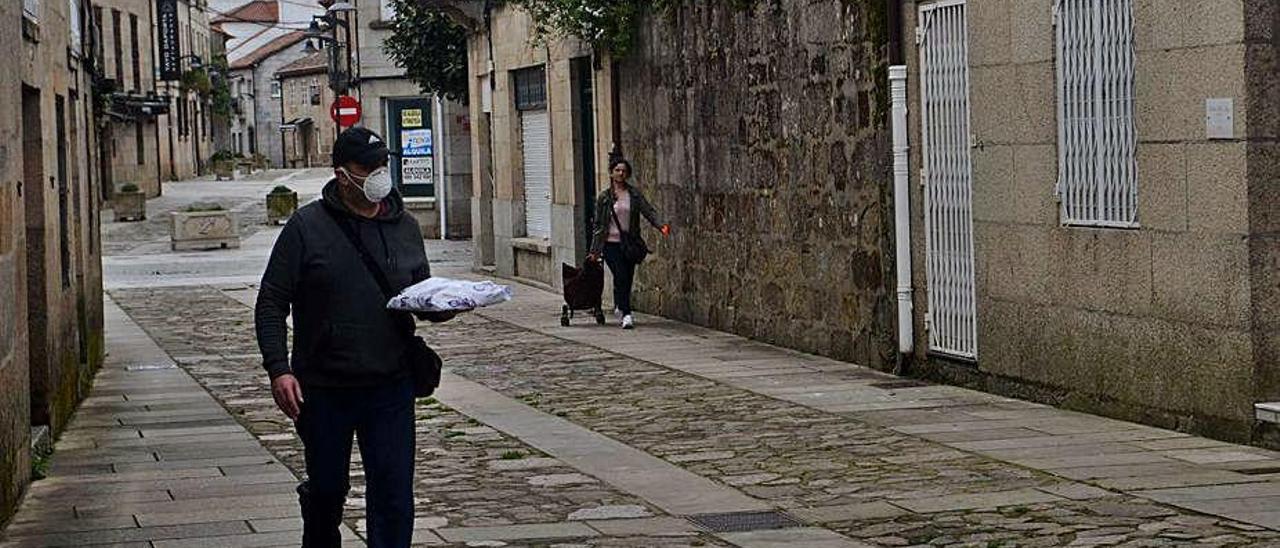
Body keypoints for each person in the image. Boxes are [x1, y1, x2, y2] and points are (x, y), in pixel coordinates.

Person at [254, 127, 454, 548]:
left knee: (394, 495)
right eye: (369, 168)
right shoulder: (306, 227)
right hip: (325, 387)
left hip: (390, 384)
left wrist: (446, 306)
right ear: (343, 175)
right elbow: (272, 301)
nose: (380, 175)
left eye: (384, 165)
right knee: (327, 491)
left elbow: (418, 296)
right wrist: (279, 369)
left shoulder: (406, 228)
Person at [587, 158, 670, 329]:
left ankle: (620, 304)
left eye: (624, 171)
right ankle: (626, 313)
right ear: (611, 172)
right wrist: (595, 250)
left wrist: (661, 225)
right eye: (617, 170)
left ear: (628, 174)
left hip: (629, 243)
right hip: (610, 244)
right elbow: (598, 225)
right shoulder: (604, 197)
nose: (620, 173)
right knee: (620, 275)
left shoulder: (634, 194)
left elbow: (648, 211)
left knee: (627, 277)